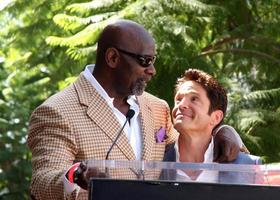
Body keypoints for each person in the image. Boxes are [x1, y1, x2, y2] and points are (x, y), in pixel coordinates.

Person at [27, 19, 244, 200]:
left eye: (153, 61)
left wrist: (222, 131)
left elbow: (190, 145)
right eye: (145, 61)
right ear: (113, 58)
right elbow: (42, 182)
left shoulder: (156, 107)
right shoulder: (57, 111)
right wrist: (75, 175)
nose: (152, 70)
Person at [162, 69, 261, 183]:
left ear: (216, 117)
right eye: (178, 99)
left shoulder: (248, 167)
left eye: (194, 99)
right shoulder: (157, 158)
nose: (182, 105)